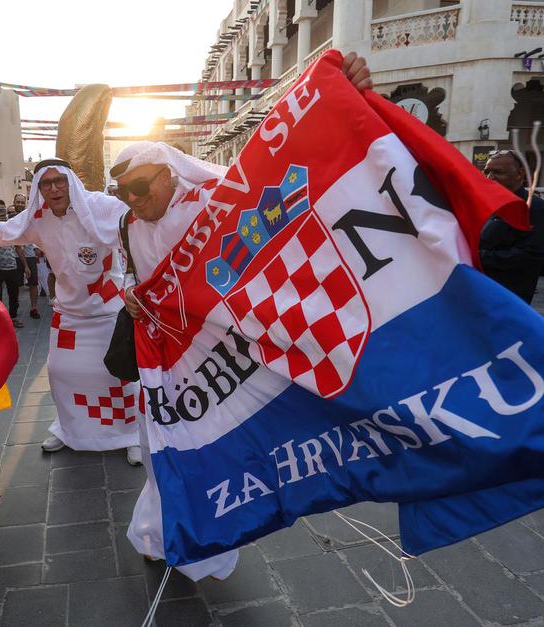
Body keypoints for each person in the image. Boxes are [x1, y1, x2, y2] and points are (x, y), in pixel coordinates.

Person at [112, 52, 373, 582]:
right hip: (163, 362)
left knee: (217, 452)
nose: (134, 200)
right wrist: (130, 295)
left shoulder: (215, 203)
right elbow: (125, 275)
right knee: (160, 447)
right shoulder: (128, 226)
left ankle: (206, 539)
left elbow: (293, 173)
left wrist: (344, 98)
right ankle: (161, 531)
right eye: (124, 192)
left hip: (224, 357)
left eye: (142, 188)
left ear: (170, 174)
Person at [0, 159, 143, 465]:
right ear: (39, 188)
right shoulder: (36, 220)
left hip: (109, 313)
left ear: (72, 182)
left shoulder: (103, 208)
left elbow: (136, 231)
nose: (54, 189)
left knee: (119, 376)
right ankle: (70, 430)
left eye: (60, 182)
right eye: (46, 183)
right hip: (69, 315)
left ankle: (131, 434)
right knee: (60, 373)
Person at [478, 150, 544, 303]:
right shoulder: (486, 203)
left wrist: (478, 256)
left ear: (520, 173)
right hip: (479, 289)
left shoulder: (533, 207)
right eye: (487, 172)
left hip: (508, 296)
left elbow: (531, 254)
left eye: (498, 172)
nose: (490, 178)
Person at [0, 200, 26, 328]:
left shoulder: (10, 225)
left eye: (2, 209)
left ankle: (13, 317)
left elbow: (18, 245)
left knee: (14, 295)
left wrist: (25, 265)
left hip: (11, 265)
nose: (0, 211)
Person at [14, 194, 42, 319]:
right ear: (14, 202)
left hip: (29, 254)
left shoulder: (30, 216)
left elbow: (37, 232)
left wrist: (37, 247)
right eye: (17, 202)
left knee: (33, 283)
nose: (19, 204)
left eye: (22, 202)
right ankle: (15, 306)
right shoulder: (9, 217)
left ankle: (33, 307)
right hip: (14, 256)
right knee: (15, 285)